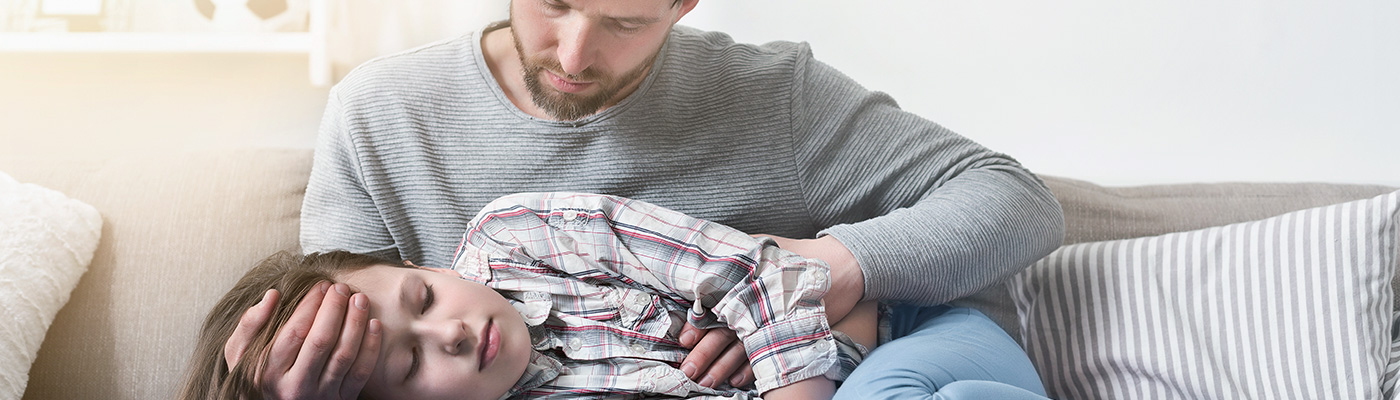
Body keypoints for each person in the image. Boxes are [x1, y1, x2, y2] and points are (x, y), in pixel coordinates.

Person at [225, 0, 1066, 398]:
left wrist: (821, 270)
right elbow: (355, 349)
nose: (575, 53)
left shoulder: (773, 97)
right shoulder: (378, 118)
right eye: (552, 2)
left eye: (624, 17)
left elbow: (1013, 200)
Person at [187, 193, 1049, 399]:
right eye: (410, 364)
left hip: (912, 334)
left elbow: (754, 271)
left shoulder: (517, 236)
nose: (448, 332)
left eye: (419, 297)